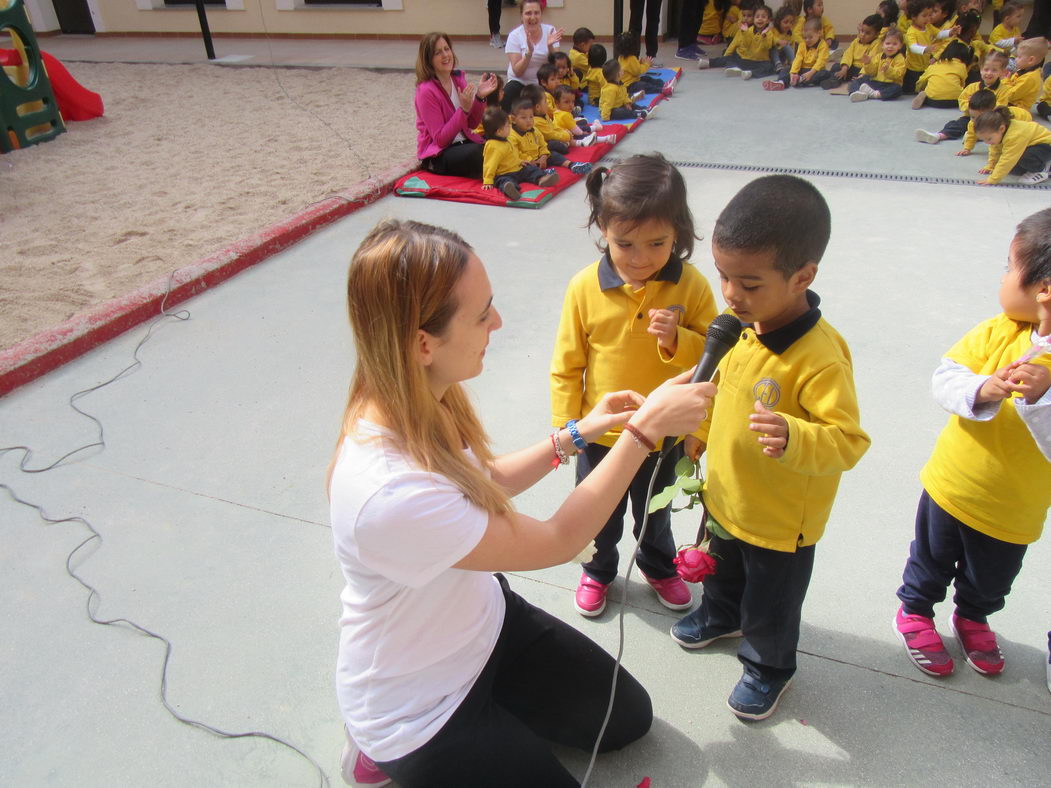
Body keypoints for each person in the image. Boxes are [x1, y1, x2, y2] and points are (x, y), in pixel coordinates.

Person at [330, 218, 715, 787]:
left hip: (484, 629)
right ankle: (381, 755)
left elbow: (485, 480)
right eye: (482, 313)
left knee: (628, 719)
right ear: (422, 343)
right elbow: (559, 540)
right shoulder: (389, 492)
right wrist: (642, 433)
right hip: (419, 711)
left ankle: (496, 725)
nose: (498, 322)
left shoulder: (421, 396)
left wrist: (578, 433)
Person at [670, 175, 870, 722]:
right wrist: (699, 433)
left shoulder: (820, 357)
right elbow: (720, 392)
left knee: (772, 604)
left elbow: (849, 441)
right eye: (724, 277)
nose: (731, 295)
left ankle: (767, 666)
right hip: (726, 497)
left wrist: (796, 436)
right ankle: (719, 615)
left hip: (782, 522)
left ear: (803, 276)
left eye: (750, 283)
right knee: (721, 571)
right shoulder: (743, 329)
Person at [550, 153, 718, 618]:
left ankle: (658, 565)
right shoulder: (584, 287)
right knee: (598, 513)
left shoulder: (693, 287)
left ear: (679, 234)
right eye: (625, 244)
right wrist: (568, 431)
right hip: (601, 434)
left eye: (657, 243)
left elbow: (715, 363)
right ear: (602, 229)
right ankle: (598, 571)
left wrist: (679, 341)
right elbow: (567, 366)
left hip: (662, 437)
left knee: (654, 512)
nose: (640, 258)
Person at [892, 208, 1051, 678]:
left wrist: (1041, 397)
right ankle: (915, 612)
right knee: (929, 561)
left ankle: (972, 615)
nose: (1002, 278)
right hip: (953, 485)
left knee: (991, 579)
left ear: (1043, 290)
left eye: (1009, 267)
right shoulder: (997, 332)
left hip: (1016, 508)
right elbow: (945, 379)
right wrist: (981, 388)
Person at [414, 33, 499, 179]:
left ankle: (518, 174)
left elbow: (471, 123)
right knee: (482, 151)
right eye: (438, 52)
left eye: (447, 49)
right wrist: (463, 110)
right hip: (440, 154)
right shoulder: (426, 91)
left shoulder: (458, 78)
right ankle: (508, 178)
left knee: (500, 138)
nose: (445, 55)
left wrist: (479, 98)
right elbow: (441, 139)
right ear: (428, 60)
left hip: (464, 142)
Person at [914, 50, 1009, 144]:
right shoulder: (973, 87)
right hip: (971, 118)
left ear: (1002, 72)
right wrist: (970, 104)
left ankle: (976, 137)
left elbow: (1001, 108)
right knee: (957, 124)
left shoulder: (1003, 90)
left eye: (994, 70)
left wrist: (986, 106)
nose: (989, 73)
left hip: (990, 121)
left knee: (1001, 128)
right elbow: (961, 101)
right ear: (980, 69)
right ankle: (939, 135)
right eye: (986, 69)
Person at [481, 106, 559, 199]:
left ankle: (542, 179)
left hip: (517, 169)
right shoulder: (492, 146)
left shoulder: (506, 139)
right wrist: (488, 180)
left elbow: (513, 154)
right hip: (504, 173)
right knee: (503, 181)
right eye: (507, 126)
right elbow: (489, 164)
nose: (510, 127)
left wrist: (520, 161)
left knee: (530, 169)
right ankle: (511, 189)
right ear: (499, 131)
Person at [509, 92, 593, 174]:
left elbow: (543, 144)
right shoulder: (512, 136)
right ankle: (544, 174)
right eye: (523, 118)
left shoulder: (534, 130)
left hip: (540, 156)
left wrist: (544, 156)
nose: (529, 121)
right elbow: (516, 153)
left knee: (553, 155)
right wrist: (530, 160)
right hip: (527, 162)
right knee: (524, 168)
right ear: (513, 119)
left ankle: (571, 165)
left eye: (531, 117)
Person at [503, 0, 564, 112]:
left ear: (541, 14)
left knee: (561, 99)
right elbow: (517, 71)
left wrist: (550, 47)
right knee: (506, 99)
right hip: (519, 82)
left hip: (543, 83)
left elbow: (556, 66)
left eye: (536, 13)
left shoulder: (549, 31)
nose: (533, 17)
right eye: (528, 13)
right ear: (521, 16)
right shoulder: (515, 36)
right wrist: (529, 53)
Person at [699, 2, 778, 78]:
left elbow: (768, 46)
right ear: (754, 18)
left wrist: (764, 36)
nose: (760, 19)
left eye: (763, 17)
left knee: (769, 67)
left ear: (768, 20)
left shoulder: (769, 33)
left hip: (759, 61)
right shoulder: (746, 29)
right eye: (757, 17)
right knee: (729, 57)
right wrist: (725, 56)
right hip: (744, 58)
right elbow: (737, 44)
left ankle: (749, 73)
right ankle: (709, 62)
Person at [974, 107, 1051, 184]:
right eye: (983, 140)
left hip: (1046, 144)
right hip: (1029, 146)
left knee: (1025, 158)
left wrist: (993, 179)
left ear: (1001, 129)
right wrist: (991, 165)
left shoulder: (1014, 135)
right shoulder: (998, 133)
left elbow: (1008, 159)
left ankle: (1042, 169)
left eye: (989, 139)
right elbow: (995, 150)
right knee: (1012, 169)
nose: (987, 142)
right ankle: (1039, 163)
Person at [762, 17, 830, 89]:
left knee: (825, 74)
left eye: (810, 37)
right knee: (786, 70)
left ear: (819, 33)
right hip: (802, 69)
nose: (807, 40)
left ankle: (800, 80)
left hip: (815, 70)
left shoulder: (823, 45)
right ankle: (781, 82)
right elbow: (798, 59)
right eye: (805, 37)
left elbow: (821, 62)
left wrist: (810, 73)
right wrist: (793, 73)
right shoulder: (802, 45)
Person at [821, 14, 883, 89]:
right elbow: (848, 54)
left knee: (868, 78)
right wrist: (844, 69)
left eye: (867, 33)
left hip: (864, 70)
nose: (863, 35)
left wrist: (862, 74)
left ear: (876, 34)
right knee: (836, 67)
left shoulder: (877, 44)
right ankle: (833, 81)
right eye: (862, 31)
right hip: (851, 67)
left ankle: (854, 83)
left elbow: (871, 63)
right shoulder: (856, 41)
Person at [847, 25, 908, 101]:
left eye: (894, 44)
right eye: (888, 43)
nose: (890, 46)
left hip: (889, 84)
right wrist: (868, 63)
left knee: (897, 89)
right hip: (876, 81)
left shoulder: (900, 58)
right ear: (882, 44)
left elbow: (898, 74)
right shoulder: (878, 56)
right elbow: (872, 72)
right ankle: (856, 92)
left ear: (900, 46)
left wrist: (888, 70)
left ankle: (876, 94)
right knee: (857, 81)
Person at [912, 40, 972, 108]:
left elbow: (922, 80)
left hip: (933, 101)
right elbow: (962, 83)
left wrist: (918, 89)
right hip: (955, 100)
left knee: (926, 92)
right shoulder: (962, 66)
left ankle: (923, 95)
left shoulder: (934, 65)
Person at [1000, 37, 1049, 112]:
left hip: (1018, 108)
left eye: (1019, 57)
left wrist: (1005, 80)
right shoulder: (1023, 70)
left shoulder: (1030, 78)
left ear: (1031, 60)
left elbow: (1011, 96)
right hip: (1010, 102)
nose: (1016, 59)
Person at [615, 30, 666, 94]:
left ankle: (663, 84)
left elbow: (630, 67)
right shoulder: (631, 58)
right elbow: (638, 71)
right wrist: (647, 64)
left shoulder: (621, 57)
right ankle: (661, 90)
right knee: (644, 86)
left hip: (633, 81)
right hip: (630, 86)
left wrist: (639, 62)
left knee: (647, 79)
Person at [902, 0, 937, 94]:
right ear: (913, 17)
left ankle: (922, 94)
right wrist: (925, 49)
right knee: (909, 91)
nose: (928, 19)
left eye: (930, 15)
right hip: (912, 68)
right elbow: (913, 47)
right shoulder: (911, 31)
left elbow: (939, 33)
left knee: (923, 86)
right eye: (924, 16)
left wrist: (950, 32)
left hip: (925, 66)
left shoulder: (928, 27)